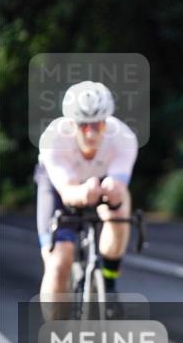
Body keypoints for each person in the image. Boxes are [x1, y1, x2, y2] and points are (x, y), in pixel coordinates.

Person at [35, 81, 138, 314]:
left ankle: (109, 282)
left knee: (120, 211)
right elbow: (68, 191)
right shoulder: (53, 139)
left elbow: (119, 185)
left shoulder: (123, 137)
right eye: (83, 126)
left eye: (98, 125)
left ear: (107, 122)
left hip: (100, 181)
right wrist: (84, 192)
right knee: (59, 260)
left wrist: (114, 192)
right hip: (61, 186)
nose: (90, 133)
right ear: (70, 124)